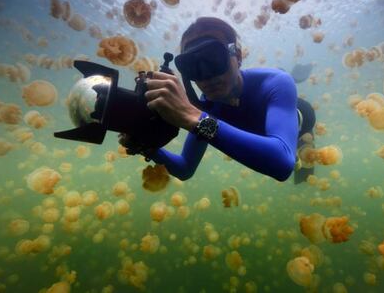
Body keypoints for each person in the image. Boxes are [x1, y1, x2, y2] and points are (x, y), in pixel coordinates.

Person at [119, 17, 316, 184]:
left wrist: (194, 118)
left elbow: (282, 163)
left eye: (213, 59)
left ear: (237, 56)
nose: (206, 77)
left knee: (295, 116)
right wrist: (147, 148)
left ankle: (295, 80)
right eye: (193, 66)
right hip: (234, 123)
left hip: (298, 116)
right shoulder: (206, 108)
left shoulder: (276, 83)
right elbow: (185, 167)